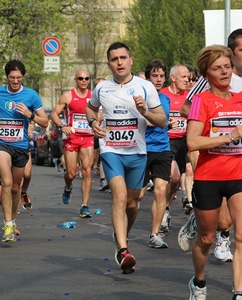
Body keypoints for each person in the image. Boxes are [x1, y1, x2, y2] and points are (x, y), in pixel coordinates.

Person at [179, 28, 242, 296]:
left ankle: (239, 289)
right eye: (218, 68)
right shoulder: (202, 98)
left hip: (240, 169)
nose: (225, 72)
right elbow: (192, 140)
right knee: (207, 237)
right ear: (207, 73)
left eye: (227, 67)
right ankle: (199, 281)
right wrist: (225, 134)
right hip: (209, 174)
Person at [85, 42, 167, 274]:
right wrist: (93, 123)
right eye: (114, 59)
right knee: (119, 196)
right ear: (109, 63)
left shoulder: (145, 87)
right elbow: (90, 108)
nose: (119, 62)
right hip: (111, 150)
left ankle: (122, 236)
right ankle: (122, 250)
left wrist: (145, 113)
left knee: (132, 203)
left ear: (131, 60)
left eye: (123, 58)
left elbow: (162, 121)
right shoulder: (102, 88)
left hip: (137, 153)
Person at [0, 59, 48, 243]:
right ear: (7, 77)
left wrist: (29, 115)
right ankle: (7, 224)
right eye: (12, 78)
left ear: (23, 77)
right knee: (6, 182)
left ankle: (12, 222)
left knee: (15, 187)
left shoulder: (31, 95)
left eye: (18, 78)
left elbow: (45, 122)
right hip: (1, 143)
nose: (15, 81)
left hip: (20, 145)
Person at [50, 69, 94, 218]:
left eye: (86, 78)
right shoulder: (68, 96)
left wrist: (96, 121)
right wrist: (63, 126)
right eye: (80, 78)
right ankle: (68, 186)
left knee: (87, 171)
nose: (84, 81)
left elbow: (100, 113)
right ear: (75, 80)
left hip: (88, 137)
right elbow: (54, 113)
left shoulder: (93, 97)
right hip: (72, 138)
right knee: (71, 173)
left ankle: (84, 205)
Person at [140, 59, 172, 248]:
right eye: (155, 75)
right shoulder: (140, 97)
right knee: (137, 196)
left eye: (161, 76)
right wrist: (158, 120)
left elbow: (163, 121)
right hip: (142, 149)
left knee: (161, 191)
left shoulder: (165, 99)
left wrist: (160, 121)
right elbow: (146, 121)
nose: (159, 79)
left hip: (162, 148)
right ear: (148, 77)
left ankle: (155, 234)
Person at [160, 65, 191, 230]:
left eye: (188, 77)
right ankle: (164, 209)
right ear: (173, 78)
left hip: (185, 140)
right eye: (184, 77)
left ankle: (188, 200)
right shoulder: (163, 95)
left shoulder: (189, 96)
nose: (187, 80)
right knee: (175, 178)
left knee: (190, 173)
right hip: (168, 141)